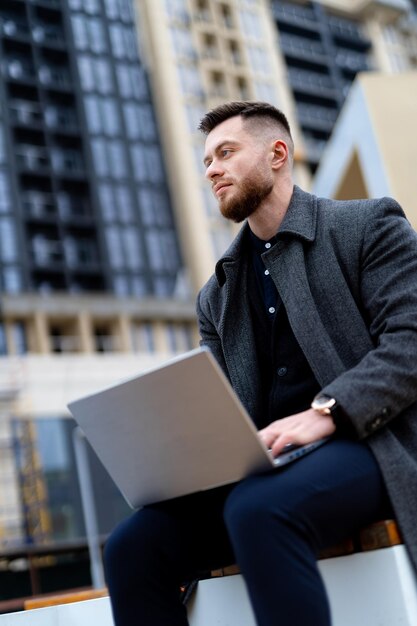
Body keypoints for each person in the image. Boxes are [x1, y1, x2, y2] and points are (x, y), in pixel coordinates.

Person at [104, 101, 417, 626]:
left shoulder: (367, 224)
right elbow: (223, 407)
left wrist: (328, 411)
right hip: (267, 466)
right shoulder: (216, 294)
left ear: (277, 154)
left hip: (371, 443)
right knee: (131, 547)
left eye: (226, 153)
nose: (212, 170)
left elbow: (410, 341)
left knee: (259, 509)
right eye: (206, 161)